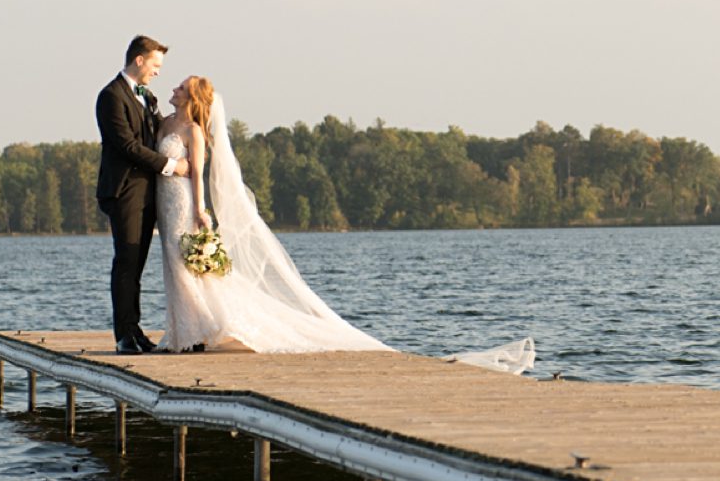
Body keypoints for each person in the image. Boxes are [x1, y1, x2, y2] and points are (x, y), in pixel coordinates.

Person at [151, 75, 534, 373]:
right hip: (164, 204)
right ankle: (184, 330)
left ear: (192, 97)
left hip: (184, 202)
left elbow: (199, 172)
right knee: (173, 264)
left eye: (180, 87)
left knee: (187, 265)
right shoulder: (165, 122)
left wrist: (201, 209)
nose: (173, 88)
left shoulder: (194, 131)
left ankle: (194, 333)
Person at [95, 35, 190, 355]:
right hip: (124, 191)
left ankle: (135, 330)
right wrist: (172, 166)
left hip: (150, 193)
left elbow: (156, 133)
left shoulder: (147, 97)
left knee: (137, 264)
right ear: (139, 60)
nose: (158, 72)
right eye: (155, 65)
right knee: (126, 262)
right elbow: (128, 147)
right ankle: (123, 336)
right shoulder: (110, 97)